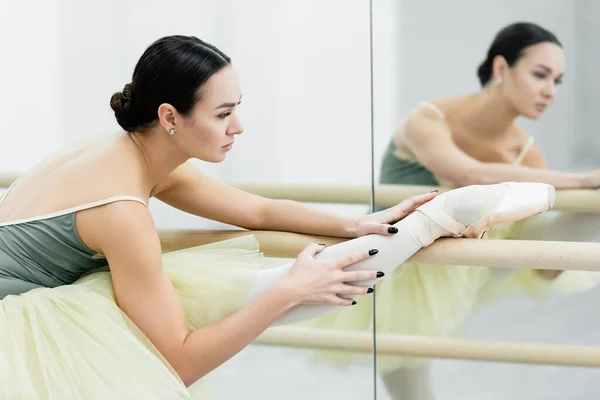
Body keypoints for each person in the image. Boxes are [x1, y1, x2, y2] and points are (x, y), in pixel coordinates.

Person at [0, 34, 555, 399]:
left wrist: (361, 222)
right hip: (19, 328)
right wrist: (289, 291)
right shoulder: (120, 209)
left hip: (35, 294)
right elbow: (181, 362)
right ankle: (429, 224)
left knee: (227, 284)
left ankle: (417, 226)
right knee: (247, 292)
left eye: (237, 107)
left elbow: (257, 210)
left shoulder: (136, 150)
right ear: (170, 115)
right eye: (223, 113)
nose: (238, 126)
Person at [303, 22, 600, 400]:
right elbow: (464, 173)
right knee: (412, 384)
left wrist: (576, 223)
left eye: (557, 81)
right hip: (399, 268)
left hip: (468, 259)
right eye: (540, 75)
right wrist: (582, 179)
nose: (549, 92)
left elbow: (546, 269)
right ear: (501, 69)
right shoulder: (426, 120)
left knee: (588, 209)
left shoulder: (526, 152)